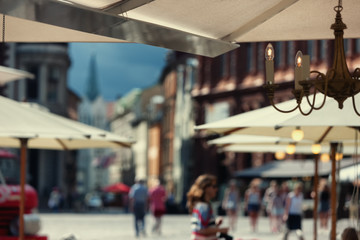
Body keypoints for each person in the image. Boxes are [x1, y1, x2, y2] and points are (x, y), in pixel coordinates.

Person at [187, 174, 230, 240]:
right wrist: (221, 230)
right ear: (206, 188)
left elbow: (203, 226)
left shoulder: (200, 205)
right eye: (214, 186)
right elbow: (202, 230)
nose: (216, 189)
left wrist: (215, 224)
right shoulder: (203, 207)